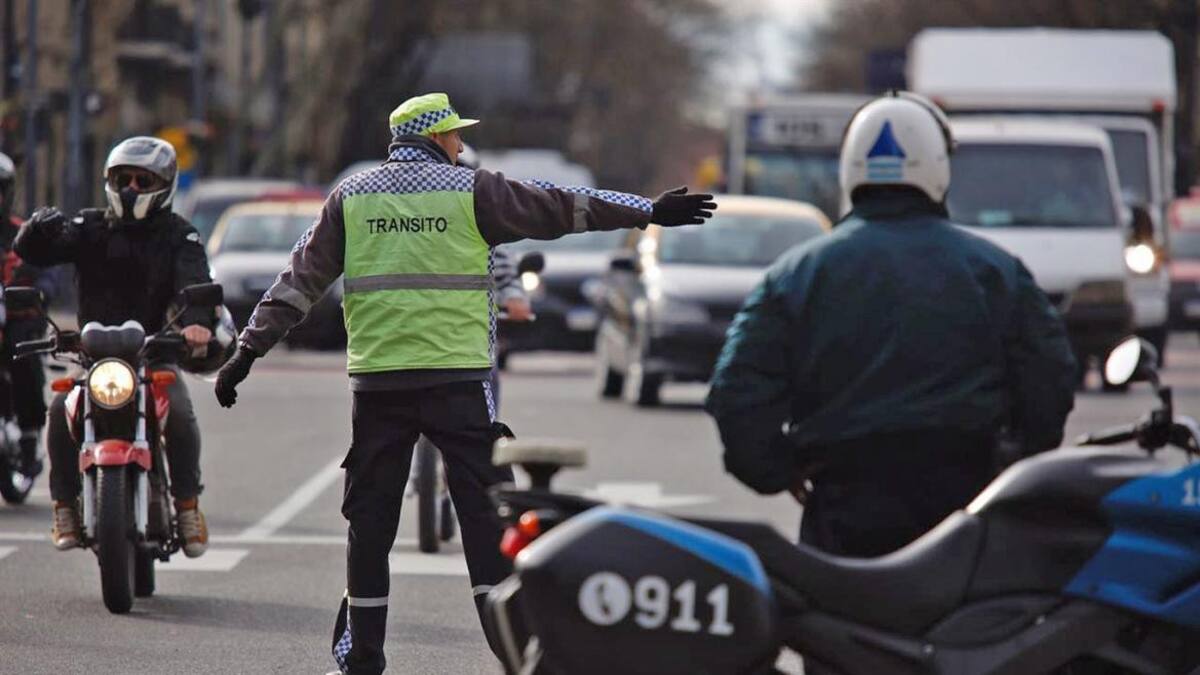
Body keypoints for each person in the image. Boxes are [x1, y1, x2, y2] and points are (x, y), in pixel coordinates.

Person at [212, 92, 715, 675]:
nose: (458, 144)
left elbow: (296, 285)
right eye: (454, 135)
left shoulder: (350, 198)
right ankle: (515, 653)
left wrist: (245, 353)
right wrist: (647, 210)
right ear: (436, 138)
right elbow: (563, 206)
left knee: (369, 529)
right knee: (484, 521)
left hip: (379, 388)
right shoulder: (471, 190)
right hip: (458, 383)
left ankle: (360, 662)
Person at [705, 91, 1076, 558]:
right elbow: (1050, 376)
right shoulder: (997, 272)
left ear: (850, 168)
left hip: (845, 510)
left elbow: (735, 391)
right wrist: (1017, 463)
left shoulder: (794, 276)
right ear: (938, 167)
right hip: (968, 509)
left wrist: (777, 469)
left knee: (837, 626)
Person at [14, 136, 214, 557]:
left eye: (144, 181)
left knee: (178, 409)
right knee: (57, 410)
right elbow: (35, 253)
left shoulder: (180, 234)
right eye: (124, 179)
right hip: (93, 359)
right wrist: (36, 230)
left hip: (153, 353)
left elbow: (194, 282)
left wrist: (197, 325)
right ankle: (64, 506)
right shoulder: (89, 227)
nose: (132, 189)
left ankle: (187, 506)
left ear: (164, 185)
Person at [0, 151, 54, 478]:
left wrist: (38, 291)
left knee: (25, 354)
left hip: (18, 316)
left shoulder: (24, 233)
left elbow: (49, 273)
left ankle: (31, 433)